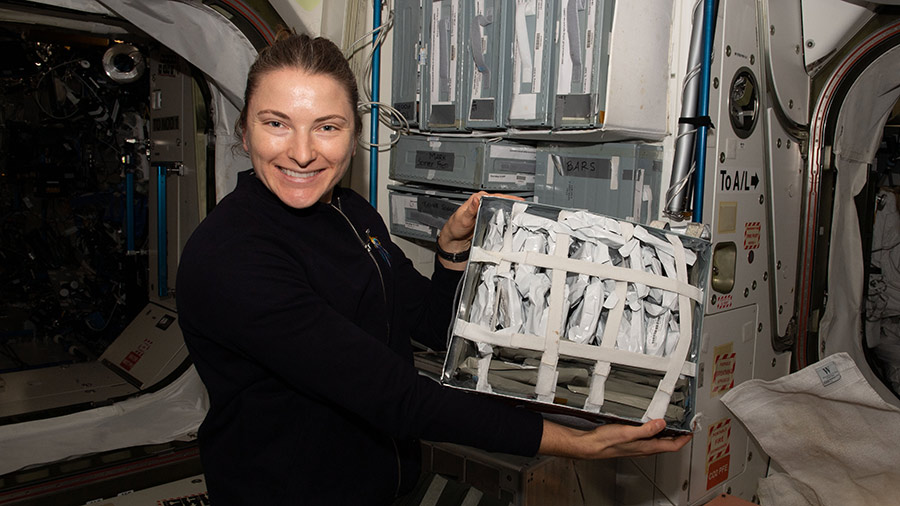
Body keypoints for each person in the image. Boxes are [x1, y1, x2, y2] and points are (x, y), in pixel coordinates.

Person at [176, 32, 690, 505]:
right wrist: (571, 442)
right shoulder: (233, 257)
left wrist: (451, 254)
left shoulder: (349, 211)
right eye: (276, 124)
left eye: (326, 127)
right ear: (245, 132)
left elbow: (426, 321)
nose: (303, 153)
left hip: (379, 486)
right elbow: (395, 397)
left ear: (353, 137)